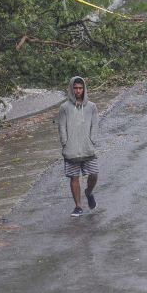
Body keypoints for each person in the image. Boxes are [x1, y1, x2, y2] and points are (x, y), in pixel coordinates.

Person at [58, 76, 99, 217]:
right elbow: (62, 126)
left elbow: (95, 124)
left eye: (80, 88)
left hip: (87, 147)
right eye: (75, 88)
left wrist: (92, 140)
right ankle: (78, 206)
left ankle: (88, 192)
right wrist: (65, 142)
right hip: (71, 149)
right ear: (71, 89)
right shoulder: (64, 108)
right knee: (74, 177)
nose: (78, 91)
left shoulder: (91, 107)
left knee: (94, 174)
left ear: (84, 89)